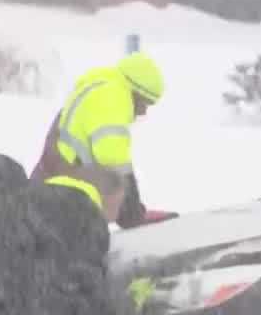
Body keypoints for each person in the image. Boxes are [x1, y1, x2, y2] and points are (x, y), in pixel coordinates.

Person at [0, 165, 128, 315]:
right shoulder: (82, 211)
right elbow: (84, 288)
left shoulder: (15, 201)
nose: (112, 219)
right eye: (116, 208)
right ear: (107, 198)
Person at [30, 51, 175, 229]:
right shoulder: (112, 97)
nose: (144, 112)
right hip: (61, 195)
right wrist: (132, 213)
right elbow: (114, 161)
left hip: (48, 187)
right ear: (135, 91)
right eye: (145, 102)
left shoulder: (100, 87)